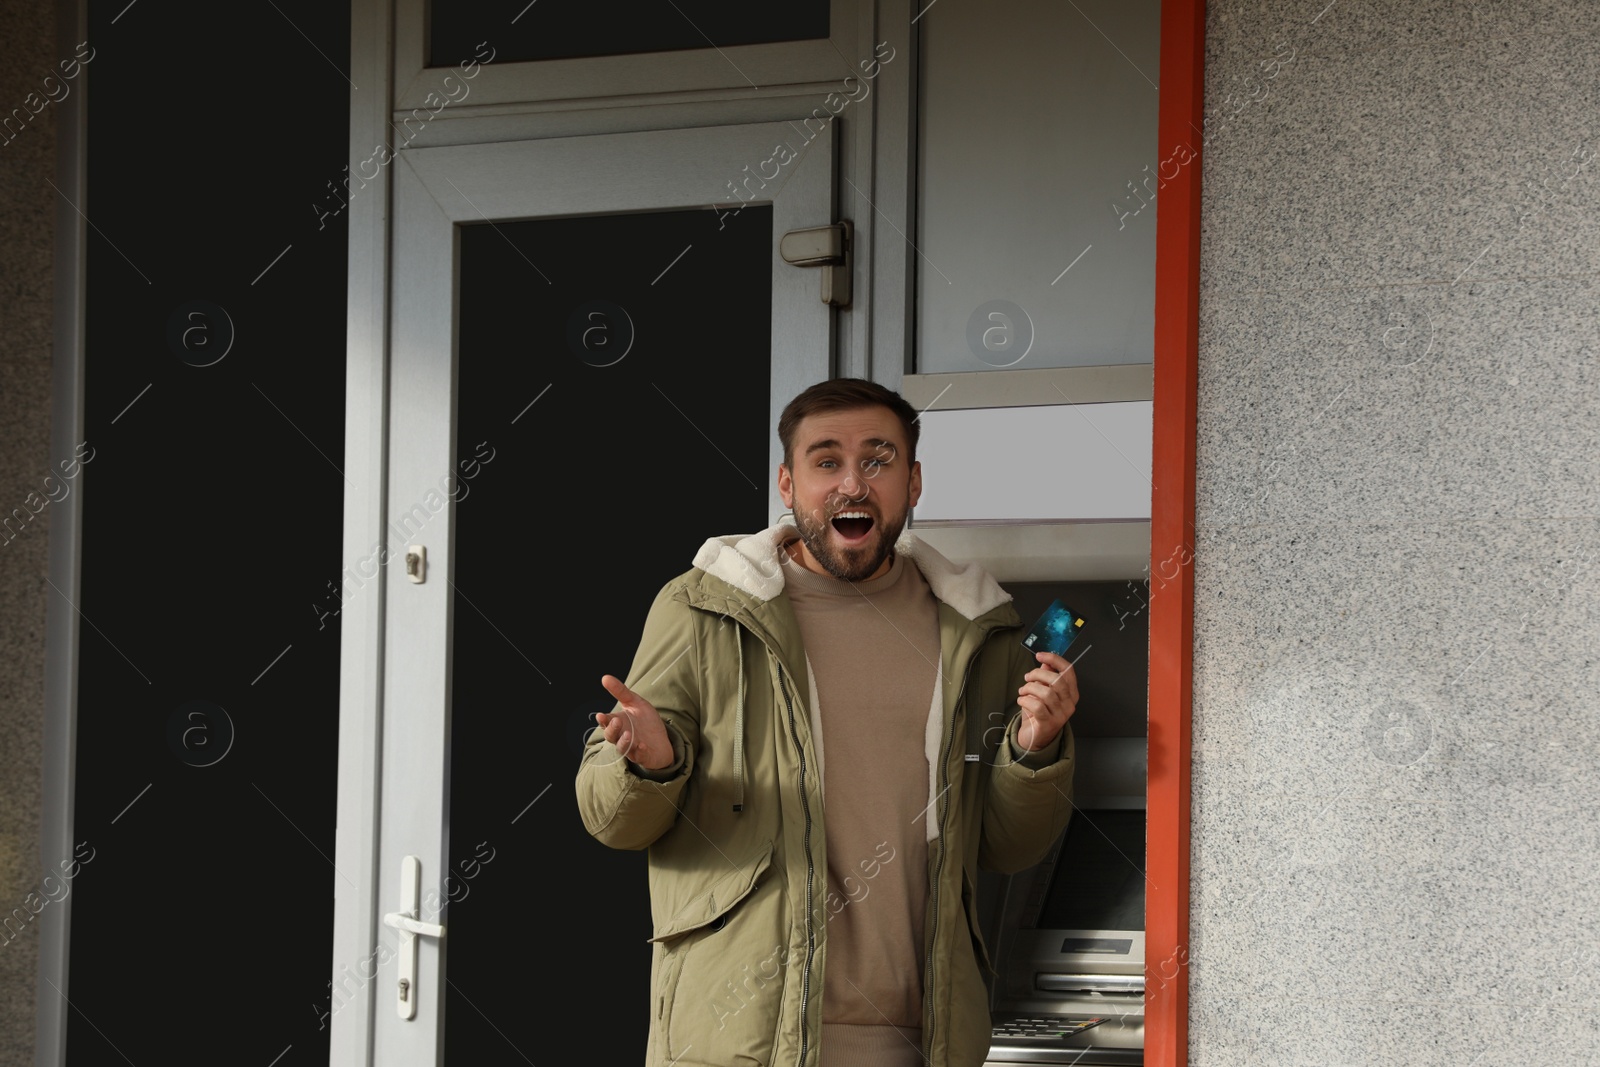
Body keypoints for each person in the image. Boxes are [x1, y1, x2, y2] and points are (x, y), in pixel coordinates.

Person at [575, 377, 1078, 1067]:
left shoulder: (976, 628)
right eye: (826, 461)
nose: (853, 483)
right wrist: (649, 765)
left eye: (878, 459)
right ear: (788, 482)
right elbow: (611, 818)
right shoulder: (704, 608)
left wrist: (1034, 750)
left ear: (914, 481)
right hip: (741, 1042)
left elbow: (1005, 847)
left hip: (919, 1041)